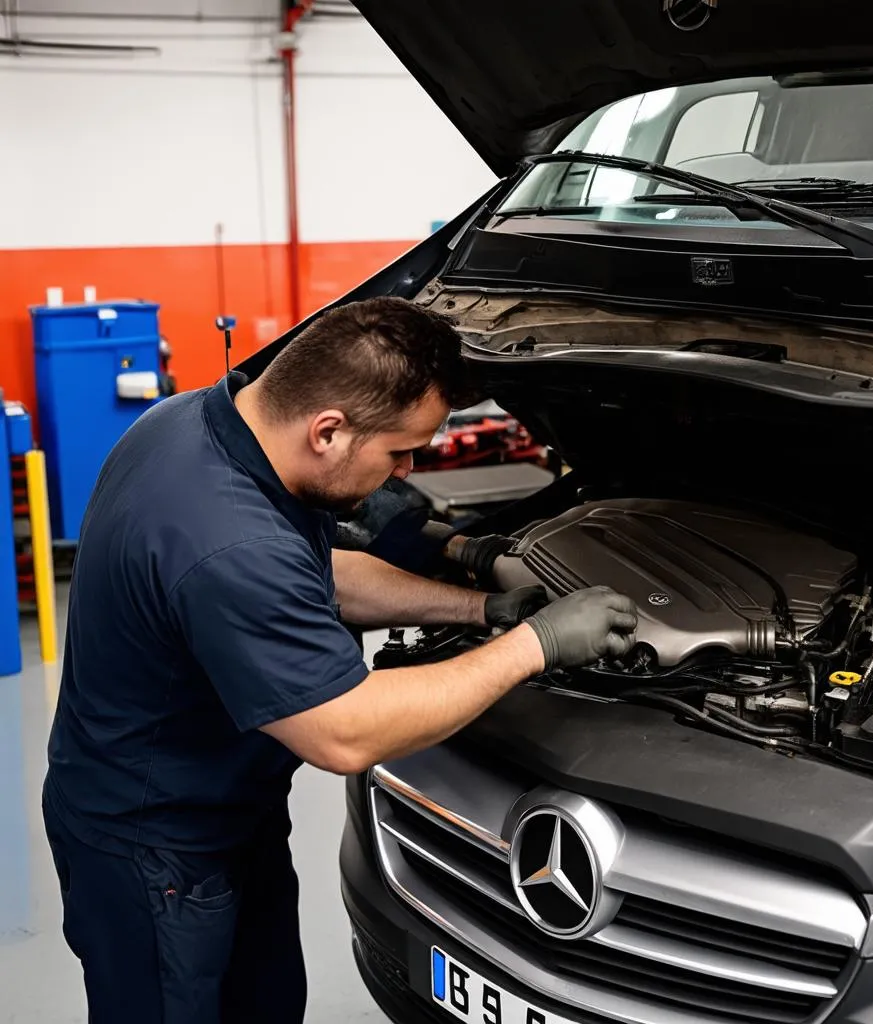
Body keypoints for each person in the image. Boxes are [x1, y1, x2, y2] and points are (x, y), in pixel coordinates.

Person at [42, 296, 638, 1024]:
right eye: (399, 452)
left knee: (263, 1004)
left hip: (223, 813)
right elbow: (343, 731)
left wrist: (481, 605)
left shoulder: (194, 422)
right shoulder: (229, 540)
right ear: (327, 430)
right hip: (154, 849)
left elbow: (320, 573)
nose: (407, 471)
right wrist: (534, 646)